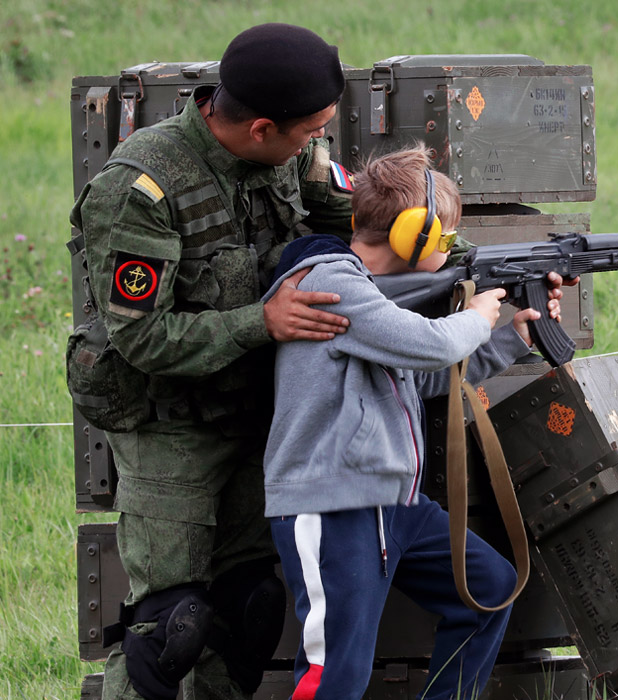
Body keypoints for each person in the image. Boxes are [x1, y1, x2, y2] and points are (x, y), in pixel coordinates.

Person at [68, 23, 354, 700]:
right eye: (309, 129)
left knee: (246, 610)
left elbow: (356, 215)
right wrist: (263, 321)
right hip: (170, 425)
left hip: (254, 415)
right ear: (261, 127)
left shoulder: (291, 152)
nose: (317, 141)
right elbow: (143, 339)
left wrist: (463, 260)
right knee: (170, 629)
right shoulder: (140, 189)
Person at [261, 144, 564, 700]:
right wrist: (475, 318)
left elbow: (419, 380)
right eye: (444, 238)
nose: (449, 250)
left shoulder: (372, 299)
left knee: (489, 591)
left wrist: (510, 338)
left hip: (394, 504)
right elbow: (428, 346)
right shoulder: (332, 284)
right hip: (333, 509)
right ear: (411, 236)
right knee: (336, 676)